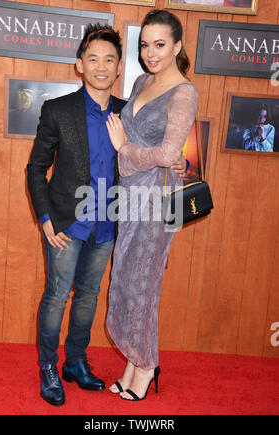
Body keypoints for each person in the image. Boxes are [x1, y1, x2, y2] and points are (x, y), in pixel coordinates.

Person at [27, 23, 187, 407]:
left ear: (119, 69)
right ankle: (49, 365)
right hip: (66, 224)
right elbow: (35, 169)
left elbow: (149, 155)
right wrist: (45, 219)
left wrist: (177, 161)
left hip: (110, 223)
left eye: (110, 60)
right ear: (79, 64)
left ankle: (76, 362)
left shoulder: (126, 111)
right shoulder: (57, 110)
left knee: (89, 296)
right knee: (56, 296)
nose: (101, 66)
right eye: (93, 58)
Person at [106, 9, 198, 401]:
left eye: (159, 45)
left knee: (144, 282)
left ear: (177, 46)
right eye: (145, 45)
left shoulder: (184, 92)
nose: (150, 53)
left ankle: (145, 367)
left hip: (156, 202)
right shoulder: (143, 80)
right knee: (126, 279)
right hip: (129, 197)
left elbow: (165, 152)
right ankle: (133, 360)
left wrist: (122, 147)